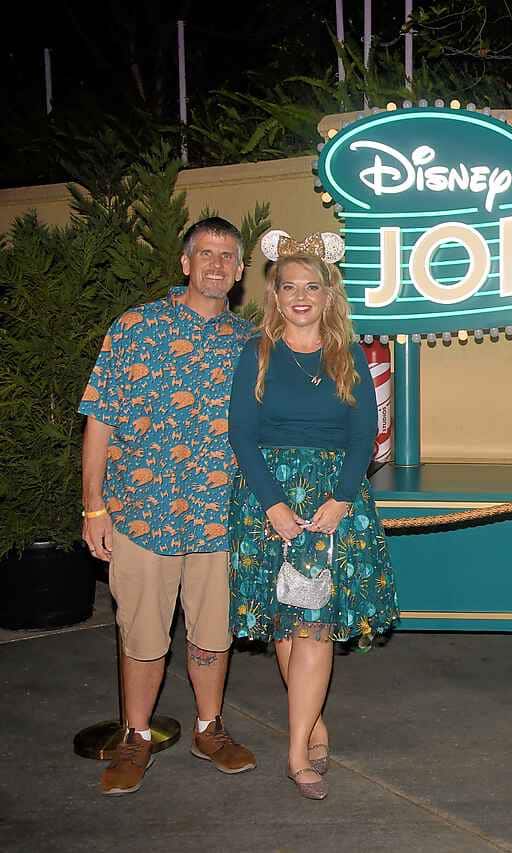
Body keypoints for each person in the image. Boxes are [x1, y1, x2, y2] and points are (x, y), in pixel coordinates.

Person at [80, 216, 258, 796]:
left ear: (239, 270)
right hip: (141, 514)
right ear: (186, 263)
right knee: (142, 635)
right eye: (206, 253)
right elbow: (99, 420)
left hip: (219, 517)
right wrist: (93, 507)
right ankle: (136, 737)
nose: (216, 264)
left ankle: (210, 729)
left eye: (228, 256)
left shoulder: (250, 342)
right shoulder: (136, 327)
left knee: (213, 633)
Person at [227, 230, 398, 800]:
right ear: (274, 294)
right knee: (287, 621)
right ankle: (313, 723)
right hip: (268, 497)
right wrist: (273, 504)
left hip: (332, 500)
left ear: (329, 295)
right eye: (289, 287)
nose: (300, 296)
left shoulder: (347, 354)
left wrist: (343, 498)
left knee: (315, 624)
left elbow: (364, 434)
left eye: (312, 287)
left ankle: (296, 752)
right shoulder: (256, 352)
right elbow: (241, 435)